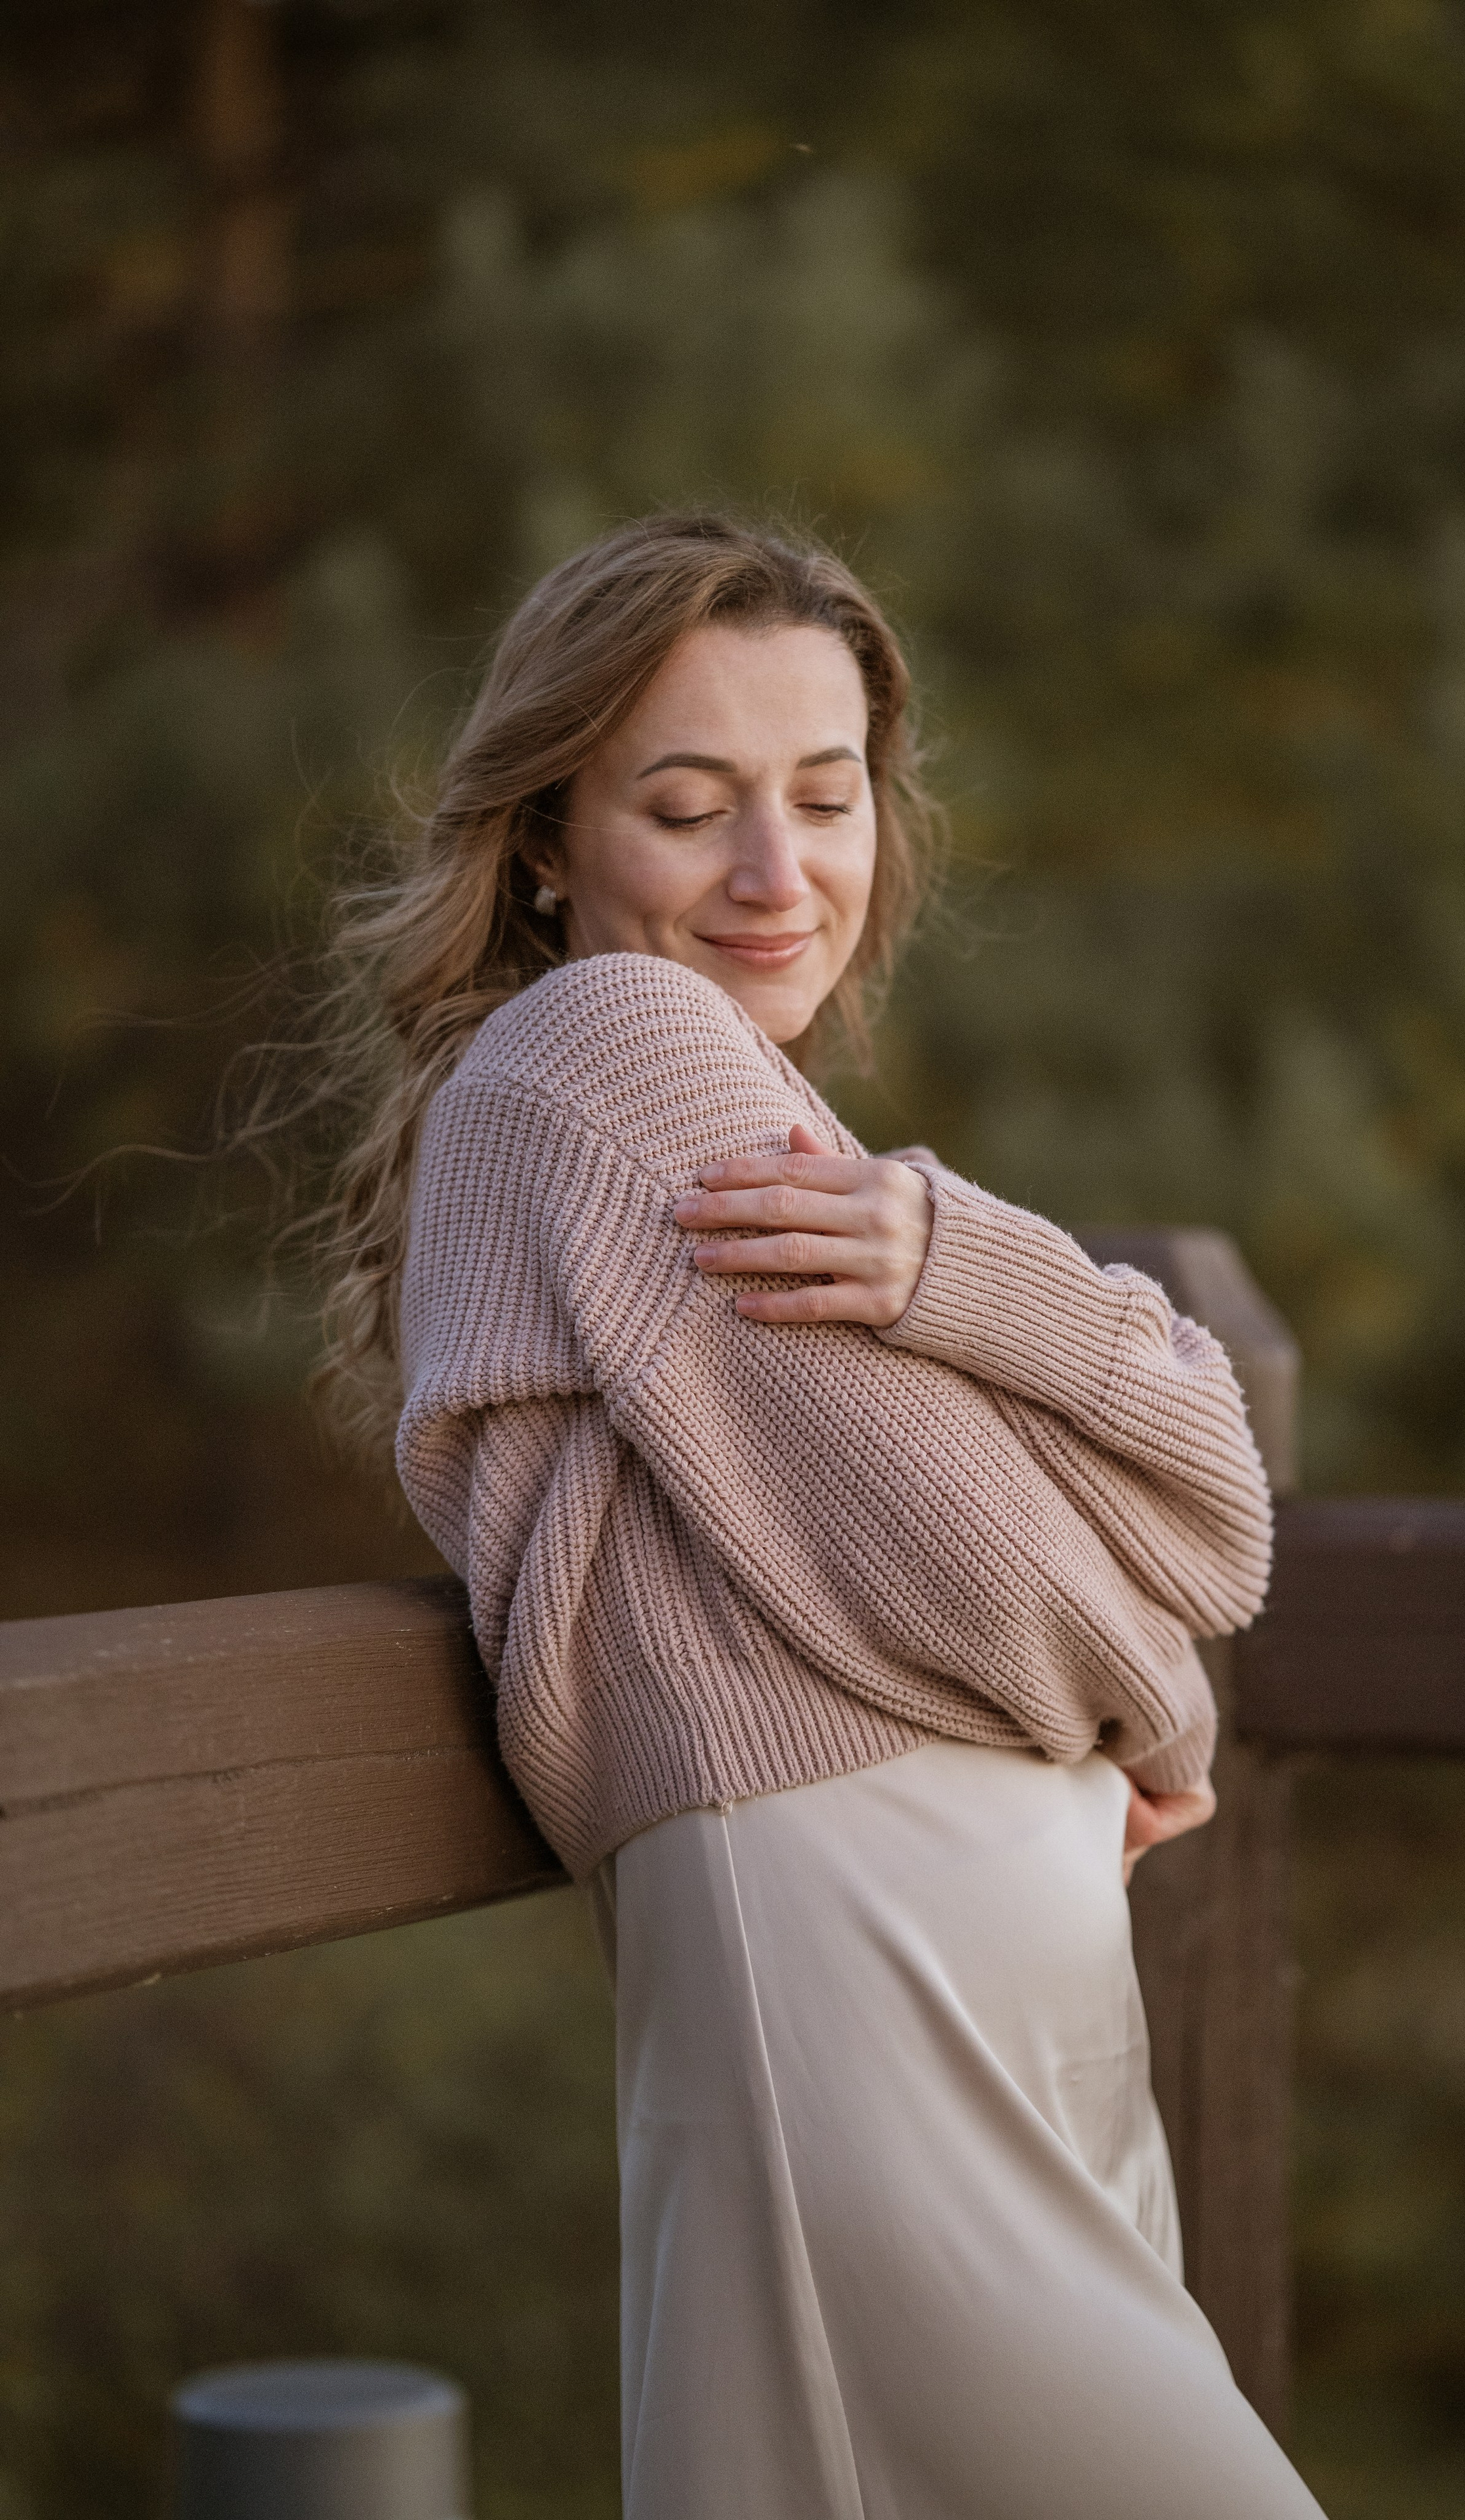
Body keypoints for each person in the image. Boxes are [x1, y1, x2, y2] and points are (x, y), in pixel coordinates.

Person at [320, 512, 1325, 2517]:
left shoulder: (738, 1117)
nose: (781, 879)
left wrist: (963, 1260)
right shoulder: (619, 1053)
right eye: (690, 810)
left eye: (826, 795)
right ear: (546, 837)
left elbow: (1199, 1490)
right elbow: (1169, 1540)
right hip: (858, 1956)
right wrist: (1164, 1704)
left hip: (962, 1951)